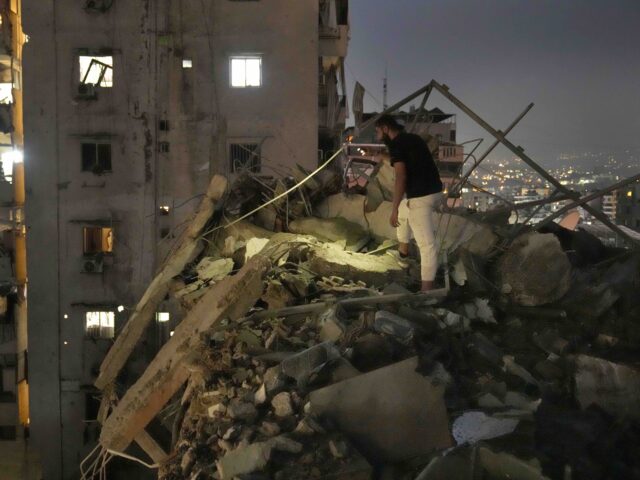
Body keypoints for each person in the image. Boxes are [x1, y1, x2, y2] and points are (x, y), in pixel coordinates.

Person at [375, 114, 443, 292]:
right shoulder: (412, 139)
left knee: (427, 246)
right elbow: (409, 160)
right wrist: (383, 156)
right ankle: (403, 255)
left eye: (377, 131)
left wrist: (394, 209)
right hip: (435, 192)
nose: (376, 135)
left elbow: (401, 176)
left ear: (385, 128)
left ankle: (427, 291)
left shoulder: (397, 145)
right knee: (405, 212)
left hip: (421, 197)